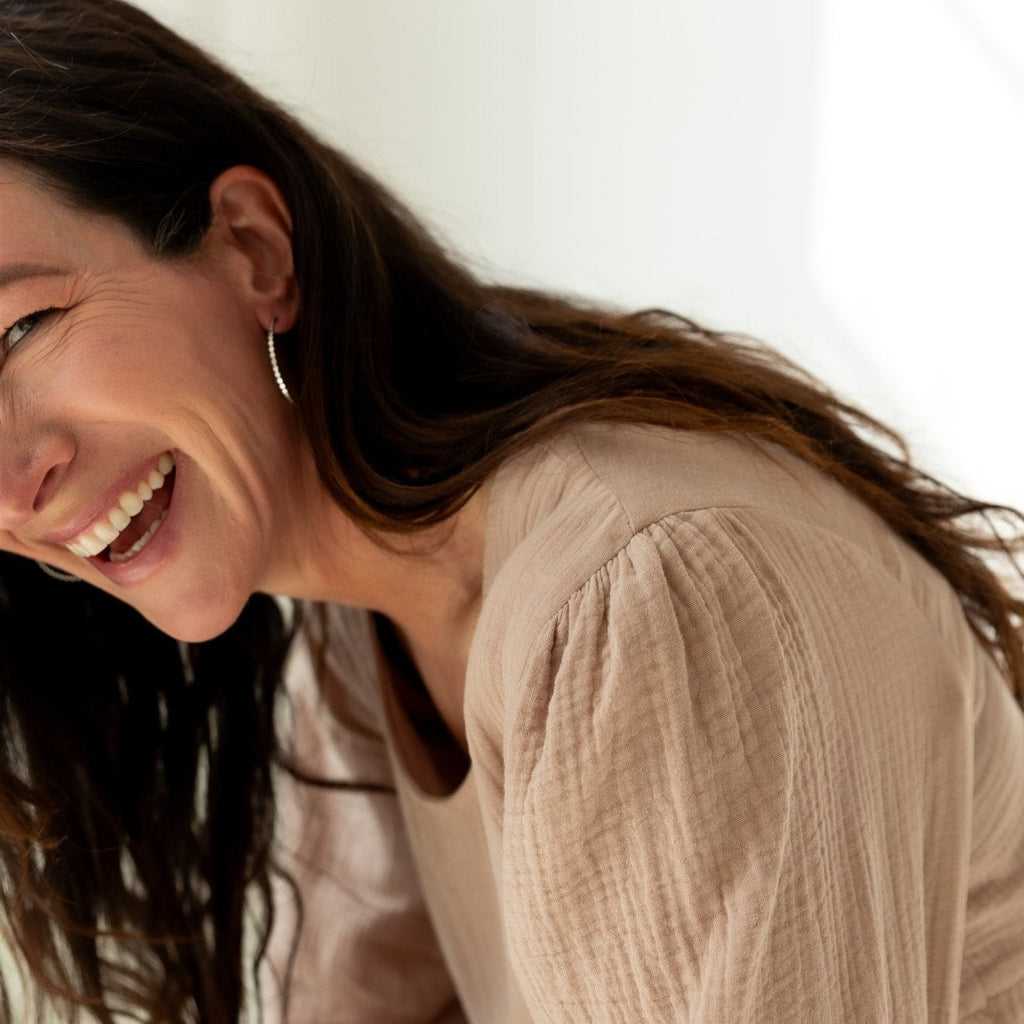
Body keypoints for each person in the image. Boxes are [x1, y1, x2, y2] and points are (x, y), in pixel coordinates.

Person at [0, 1, 1021, 1021]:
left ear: (253, 248)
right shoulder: (372, 616)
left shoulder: (640, 597)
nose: (12, 484)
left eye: (21, 332)